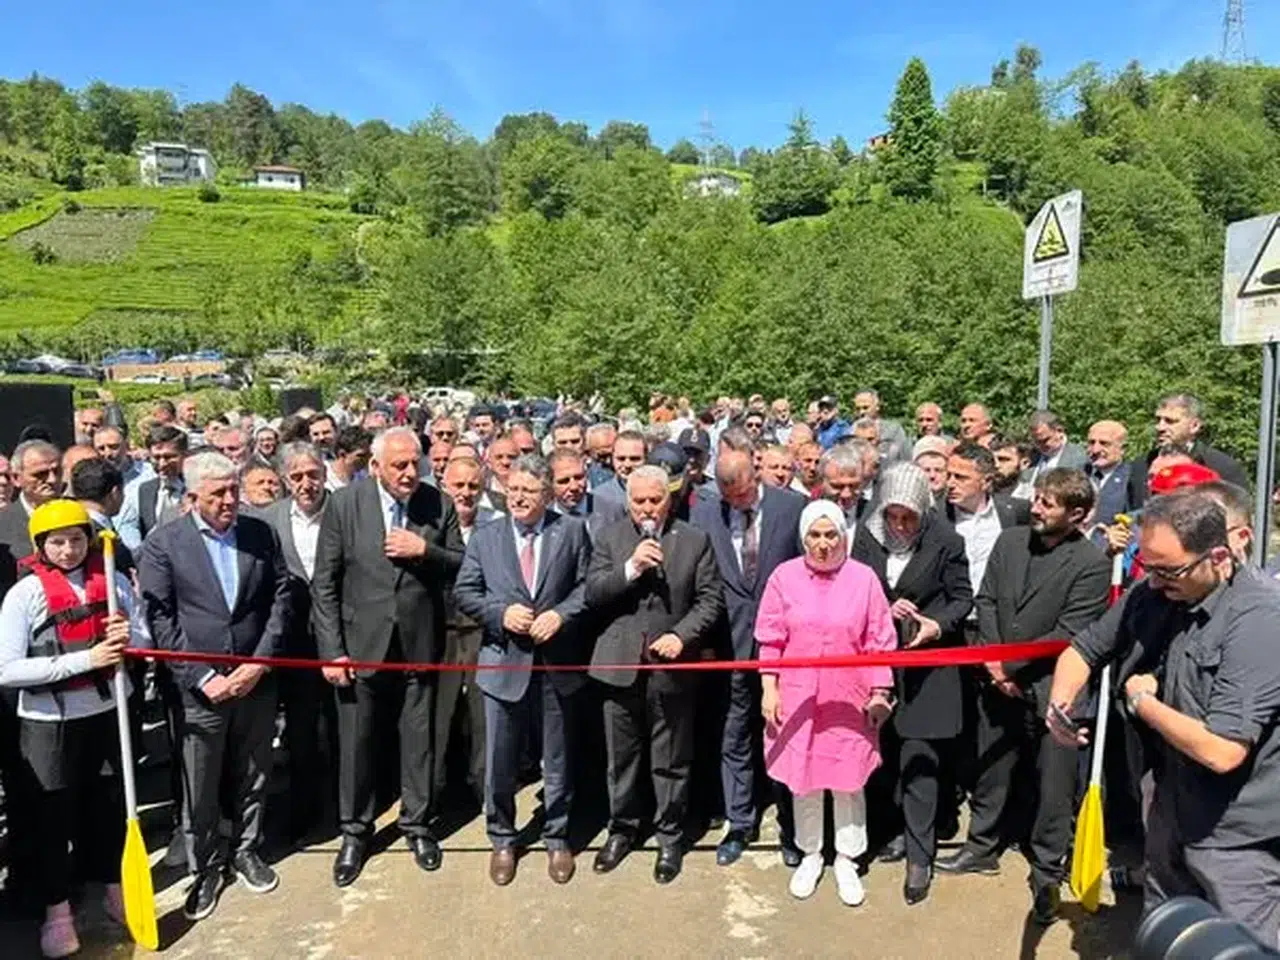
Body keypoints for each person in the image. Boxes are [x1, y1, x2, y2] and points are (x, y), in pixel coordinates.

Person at [1047, 491, 1280, 945]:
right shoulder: (1154, 591)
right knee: (1168, 941)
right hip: (1166, 808)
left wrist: (1144, 704)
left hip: (1234, 837)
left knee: (1241, 949)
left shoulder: (1260, 620)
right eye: (1148, 566)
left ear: (1220, 556)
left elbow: (1224, 750)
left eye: (1168, 570)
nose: (1152, 582)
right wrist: (1061, 704)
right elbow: (1085, 649)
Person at [938, 468, 1110, 925]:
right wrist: (994, 665)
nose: (1035, 507)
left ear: (1076, 514)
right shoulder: (1011, 541)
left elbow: (1070, 632)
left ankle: (1047, 871)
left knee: (1054, 782)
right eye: (1036, 498)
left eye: (1047, 504)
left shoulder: (1091, 563)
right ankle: (982, 846)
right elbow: (988, 599)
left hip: (1055, 688)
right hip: (997, 677)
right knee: (992, 765)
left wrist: (1009, 668)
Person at [137, 451, 291, 923]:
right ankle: (206, 867)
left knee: (252, 771)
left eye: (233, 490)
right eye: (218, 493)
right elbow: (160, 617)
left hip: (254, 683)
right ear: (192, 497)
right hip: (199, 690)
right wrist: (204, 677)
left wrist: (260, 663)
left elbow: (280, 597)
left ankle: (247, 849)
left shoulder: (260, 534)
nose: (230, 500)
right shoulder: (165, 543)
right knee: (200, 783)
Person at [311, 427, 464, 888]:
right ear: (375, 465)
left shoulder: (438, 503)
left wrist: (426, 551)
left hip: (419, 644)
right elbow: (325, 583)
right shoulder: (344, 505)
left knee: (419, 741)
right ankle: (356, 832)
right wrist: (333, 651)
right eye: (398, 465)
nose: (409, 473)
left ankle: (417, 826)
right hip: (361, 646)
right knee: (358, 744)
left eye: (414, 463)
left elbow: (462, 563)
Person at [0, 500, 141, 958]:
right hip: (48, 725)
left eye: (77, 540)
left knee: (106, 811)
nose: (68, 550)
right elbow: (7, 670)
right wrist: (86, 659)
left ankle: (117, 893)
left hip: (105, 716)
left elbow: (143, 639)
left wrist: (128, 637)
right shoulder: (24, 596)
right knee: (51, 820)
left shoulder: (113, 582)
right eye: (57, 542)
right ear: (41, 547)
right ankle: (57, 912)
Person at [454, 455, 592, 886]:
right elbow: (465, 590)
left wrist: (563, 615)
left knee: (557, 758)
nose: (517, 497)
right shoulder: (487, 536)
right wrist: (499, 613)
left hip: (555, 666)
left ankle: (556, 837)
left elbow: (588, 586)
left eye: (528, 491)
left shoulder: (570, 531)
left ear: (547, 495)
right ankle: (502, 838)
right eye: (512, 489)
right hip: (502, 664)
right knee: (500, 761)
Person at [587, 466, 725, 884]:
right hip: (619, 665)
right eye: (640, 502)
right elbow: (593, 593)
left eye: (655, 500)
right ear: (628, 501)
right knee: (622, 758)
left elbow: (710, 599)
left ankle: (670, 836)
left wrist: (681, 637)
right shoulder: (610, 537)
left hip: (671, 668)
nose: (648, 509)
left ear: (669, 499)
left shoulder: (694, 540)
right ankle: (622, 829)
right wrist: (630, 568)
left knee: (671, 759)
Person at [757, 500, 896, 906]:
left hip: (848, 696)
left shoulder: (864, 579)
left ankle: (848, 859)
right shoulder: (784, 577)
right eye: (814, 536)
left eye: (830, 534)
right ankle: (812, 854)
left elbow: (880, 641)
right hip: (798, 696)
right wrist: (770, 688)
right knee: (805, 780)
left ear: (843, 535)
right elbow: (771, 638)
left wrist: (879, 692)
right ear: (803, 538)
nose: (822, 544)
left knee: (848, 781)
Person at [852, 463, 972, 904]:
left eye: (909, 518)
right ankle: (895, 832)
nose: (900, 526)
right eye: (893, 516)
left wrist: (934, 626)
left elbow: (962, 599)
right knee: (882, 760)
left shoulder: (947, 542)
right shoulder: (866, 539)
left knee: (921, 761)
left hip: (927, 671)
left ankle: (920, 857)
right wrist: (884, 606)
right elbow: (855, 592)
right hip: (878, 671)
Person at [690, 449, 805, 866]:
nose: (738, 503)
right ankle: (740, 821)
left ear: (756, 476)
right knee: (733, 732)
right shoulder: (704, 515)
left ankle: (793, 827)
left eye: (743, 494)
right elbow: (701, 582)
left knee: (784, 731)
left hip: (786, 646)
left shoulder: (793, 507)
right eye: (730, 497)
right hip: (728, 643)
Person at [263, 443, 338, 842]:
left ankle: (352, 805)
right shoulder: (268, 520)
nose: (307, 484)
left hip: (343, 637)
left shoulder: (347, 510)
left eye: (313, 474)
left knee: (346, 726)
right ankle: (306, 806)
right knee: (302, 730)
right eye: (297, 477)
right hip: (293, 643)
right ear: (284, 480)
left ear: (325, 473)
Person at [436, 457, 501, 805]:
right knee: (440, 717)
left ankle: (484, 791)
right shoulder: (429, 522)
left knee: (483, 718)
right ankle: (436, 790)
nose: (465, 493)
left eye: (473, 486)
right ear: (444, 485)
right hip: (442, 632)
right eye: (458, 485)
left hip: (481, 630)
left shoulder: (496, 525)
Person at [1127, 394, 1248, 508]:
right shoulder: (1140, 466)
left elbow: (1237, 515)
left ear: (1194, 426)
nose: (1160, 427)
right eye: (1158, 420)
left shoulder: (1222, 467)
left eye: (1170, 421)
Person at [117, 425, 189, 550]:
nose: (162, 464)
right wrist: (139, 552)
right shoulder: (143, 490)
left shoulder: (197, 488)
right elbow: (128, 525)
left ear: (185, 456)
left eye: (169, 457)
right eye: (156, 457)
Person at [1085, 420, 1131, 546]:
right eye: (1091, 442)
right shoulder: (1078, 473)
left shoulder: (1131, 479)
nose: (1095, 449)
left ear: (1123, 449)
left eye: (1104, 443)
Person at [819, 443, 872, 539]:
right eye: (838, 486)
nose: (846, 494)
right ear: (822, 482)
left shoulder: (873, 515)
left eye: (854, 486)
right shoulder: (803, 513)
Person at [590, 429, 647, 517]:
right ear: (612, 458)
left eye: (634, 459)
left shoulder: (660, 493)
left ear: (646, 458)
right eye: (621, 459)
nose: (627, 465)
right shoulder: (598, 498)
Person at [854, 390, 909, 464]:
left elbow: (906, 458)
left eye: (865, 407)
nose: (861, 412)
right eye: (858, 409)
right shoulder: (850, 432)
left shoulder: (893, 431)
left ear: (877, 407)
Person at [326, 426, 372, 492]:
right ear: (342, 454)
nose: (366, 460)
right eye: (361, 456)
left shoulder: (363, 478)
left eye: (369, 455)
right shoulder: (323, 476)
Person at [989, 434, 1031, 498]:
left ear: (1024, 463)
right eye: (992, 460)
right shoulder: (980, 495)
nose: (996, 465)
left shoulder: (1032, 497)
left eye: (1004, 460)